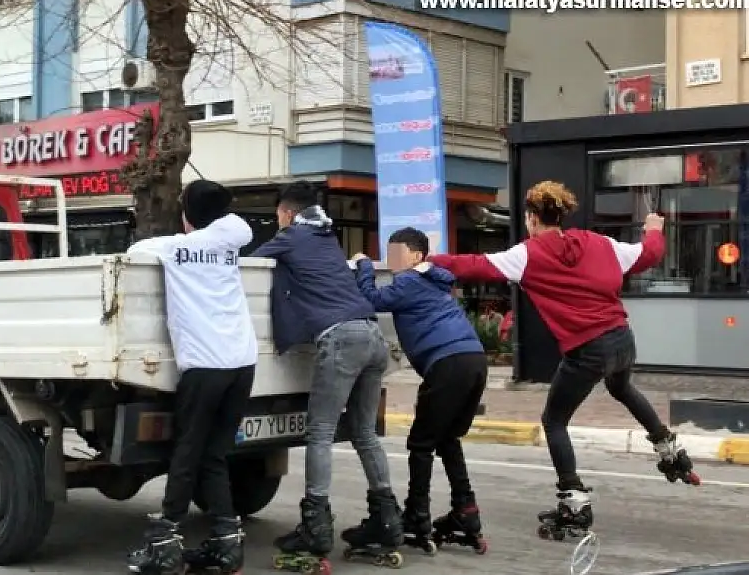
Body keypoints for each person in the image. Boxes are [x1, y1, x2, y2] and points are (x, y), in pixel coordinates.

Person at [427, 180, 697, 538]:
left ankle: (574, 503)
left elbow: (472, 265)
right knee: (621, 386)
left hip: (587, 349)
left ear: (531, 218)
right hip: (622, 339)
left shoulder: (527, 253)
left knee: (554, 421)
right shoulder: (599, 243)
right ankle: (669, 449)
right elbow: (648, 255)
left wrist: (424, 262)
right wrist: (653, 230)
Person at [251, 181, 401, 565]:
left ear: (286, 213)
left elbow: (250, 264)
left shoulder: (290, 237)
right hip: (372, 335)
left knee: (320, 433)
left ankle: (315, 526)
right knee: (365, 433)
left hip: (340, 339)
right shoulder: (327, 237)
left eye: (278, 215)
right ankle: (387, 519)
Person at [124, 180, 258, 575]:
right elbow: (239, 225)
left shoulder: (171, 249)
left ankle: (165, 541)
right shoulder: (231, 238)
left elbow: (134, 251)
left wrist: (185, 233)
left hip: (204, 367)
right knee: (214, 454)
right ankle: (226, 542)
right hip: (242, 364)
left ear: (187, 216)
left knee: (187, 452)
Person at [350, 227, 489, 554]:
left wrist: (364, 266)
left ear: (417, 255)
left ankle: (417, 515)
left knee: (421, 443)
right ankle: (466, 511)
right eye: (389, 252)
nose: (393, 259)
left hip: (448, 363)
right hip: (474, 360)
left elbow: (372, 299)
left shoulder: (410, 280)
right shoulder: (436, 281)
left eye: (398, 252)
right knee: (447, 438)